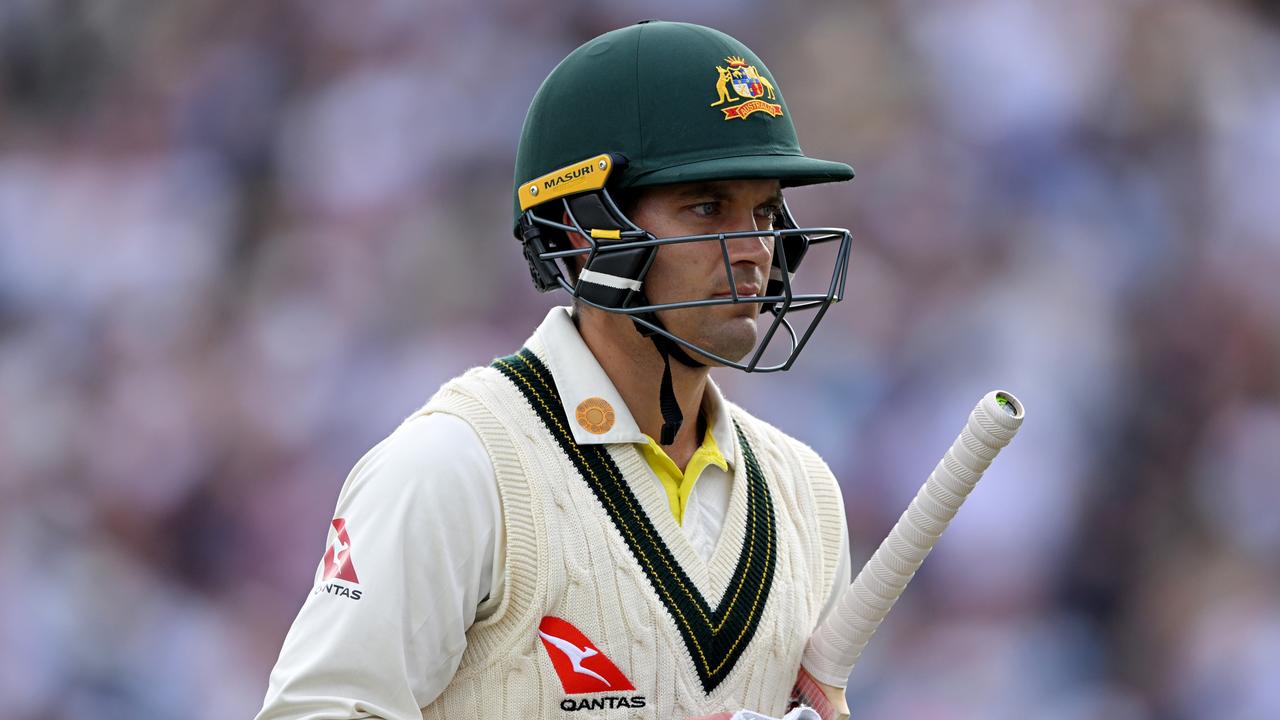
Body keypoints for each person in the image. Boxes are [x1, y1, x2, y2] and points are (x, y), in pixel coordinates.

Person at [258, 20, 856, 719]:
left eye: (764, 211)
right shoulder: (454, 465)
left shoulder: (806, 493)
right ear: (583, 229)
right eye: (706, 207)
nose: (754, 249)